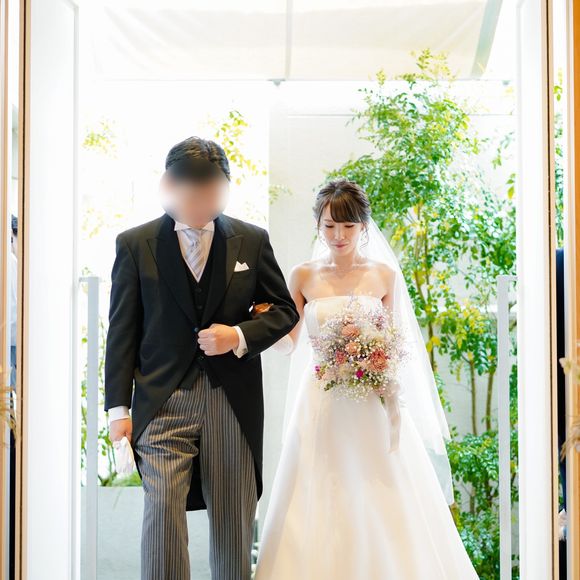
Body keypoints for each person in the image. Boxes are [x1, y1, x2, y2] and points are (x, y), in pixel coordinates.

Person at [254, 179, 479, 579]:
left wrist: (372, 361)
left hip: (371, 396)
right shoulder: (302, 275)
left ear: (363, 226)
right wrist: (261, 323)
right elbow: (289, 343)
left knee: (382, 486)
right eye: (329, 226)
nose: (338, 235)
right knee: (318, 484)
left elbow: (393, 343)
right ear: (318, 225)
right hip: (321, 396)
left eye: (348, 226)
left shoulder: (384, 275)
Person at [104, 136, 300, 580]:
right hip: (162, 400)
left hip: (231, 399)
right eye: (192, 196)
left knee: (233, 518)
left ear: (224, 188)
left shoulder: (251, 240)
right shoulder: (135, 244)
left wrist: (237, 335)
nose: (201, 206)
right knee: (161, 514)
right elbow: (122, 331)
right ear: (169, 186)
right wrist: (118, 409)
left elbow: (284, 311)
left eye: (212, 195)